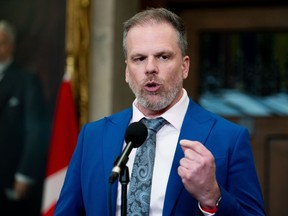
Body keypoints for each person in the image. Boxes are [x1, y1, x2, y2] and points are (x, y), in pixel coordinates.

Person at [55, 8, 266, 216]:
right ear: (127, 71)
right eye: (139, 59)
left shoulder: (228, 138)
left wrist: (213, 197)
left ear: (184, 66)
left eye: (163, 57)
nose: (150, 68)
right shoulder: (93, 136)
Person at [0, 20, 47, 215]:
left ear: (11, 46)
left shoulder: (26, 80)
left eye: (1, 43)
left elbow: (35, 130)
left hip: (9, 177)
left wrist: (25, 174)